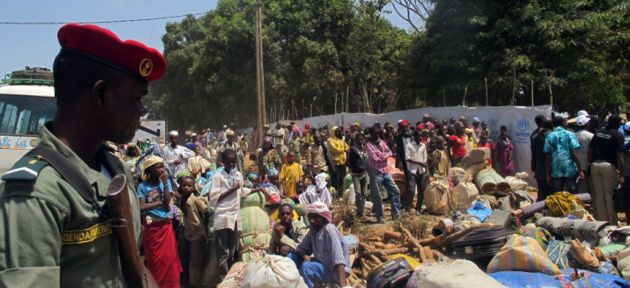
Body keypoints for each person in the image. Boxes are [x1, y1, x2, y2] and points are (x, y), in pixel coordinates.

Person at [0, 23, 163, 287]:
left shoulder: (116, 169)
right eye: (135, 99)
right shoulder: (36, 193)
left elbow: (134, 266)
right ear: (100, 94)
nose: (141, 111)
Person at [210, 150, 265, 280]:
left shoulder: (238, 175)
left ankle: (234, 278)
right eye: (229, 162)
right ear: (223, 162)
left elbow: (240, 192)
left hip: (234, 217)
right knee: (223, 253)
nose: (232, 164)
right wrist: (232, 189)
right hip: (223, 217)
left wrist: (256, 189)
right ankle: (225, 280)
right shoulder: (218, 177)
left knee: (233, 251)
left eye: (234, 161)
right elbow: (213, 199)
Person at [137, 156, 182, 287]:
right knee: (156, 261)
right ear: (150, 170)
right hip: (152, 229)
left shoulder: (163, 183)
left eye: (163, 166)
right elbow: (141, 206)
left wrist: (166, 183)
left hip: (166, 226)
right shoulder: (142, 186)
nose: (162, 169)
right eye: (159, 167)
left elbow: (167, 202)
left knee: (170, 260)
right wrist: (159, 202)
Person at [293, 202, 350, 288]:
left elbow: (339, 260)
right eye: (310, 217)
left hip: (334, 271)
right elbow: (300, 249)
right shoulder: (313, 231)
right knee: (293, 256)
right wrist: (305, 256)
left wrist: (343, 285)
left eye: (315, 217)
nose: (312, 220)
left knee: (307, 267)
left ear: (323, 218)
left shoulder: (329, 230)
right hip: (322, 265)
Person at [177, 174, 212, 288]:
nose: (186, 187)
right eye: (184, 185)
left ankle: (196, 284)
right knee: (185, 258)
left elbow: (207, 213)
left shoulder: (196, 200)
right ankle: (187, 281)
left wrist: (206, 230)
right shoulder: (181, 200)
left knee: (195, 260)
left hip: (197, 234)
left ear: (193, 187)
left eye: (189, 185)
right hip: (186, 234)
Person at [589, 114, 624, 223]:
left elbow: (591, 150)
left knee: (599, 195)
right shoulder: (617, 135)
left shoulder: (598, 132)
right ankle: (612, 222)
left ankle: (602, 222)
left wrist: (589, 164)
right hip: (608, 166)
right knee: (609, 195)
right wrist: (622, 174)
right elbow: (620, 156)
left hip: (595, 166)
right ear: (618, 124)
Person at [366, 126, 401, 223]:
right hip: (375, 172)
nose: (376, 136)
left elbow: (390, 152)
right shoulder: (369, 145)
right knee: (377, 196)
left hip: (385, 171)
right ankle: (380, 217)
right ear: (371, 134)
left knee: (395, 191)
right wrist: (384, 155)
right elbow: (375, 158)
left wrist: (382, 154)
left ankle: (396, 215)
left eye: (378, 134)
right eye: (374, 134)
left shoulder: (381, 142)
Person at [544, 116, 584, 194]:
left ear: (553, 124)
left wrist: (547, 173)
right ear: (563, 123)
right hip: (569, 169)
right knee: (573, 194)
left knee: (558, 195)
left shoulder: (550, 136)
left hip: (556, 170)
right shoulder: (570, 135)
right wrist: (580, 169)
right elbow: (574, 154)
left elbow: (548, 157)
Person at [405, 130, 428, 211]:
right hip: (412, 170)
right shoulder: (409, 145)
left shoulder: (423, 146)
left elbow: (425, 159)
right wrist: (419, 163)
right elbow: (407, 158)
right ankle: (408, 208)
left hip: (421, 171)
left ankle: (418, 208)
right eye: (419, 136)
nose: (420, 137)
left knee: (422, 190)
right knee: (411, 190)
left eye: (421, 136)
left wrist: (426, 170)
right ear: (414, 137)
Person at [347, 132, 369, 219]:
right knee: (358, 193)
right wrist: (354, 168)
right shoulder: (352, 150)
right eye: (359, 139)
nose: (361, 141)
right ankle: (360, 212)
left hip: (364, 173)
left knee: (364, 194)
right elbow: (348, 162)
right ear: (356, 140)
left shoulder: (364, 149)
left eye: (362, 139)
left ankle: (361, 211)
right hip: (356, 174)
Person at [531, 118, 553, 201]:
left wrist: (533, 165)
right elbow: (549, 156)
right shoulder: (552, 136)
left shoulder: (534, 136)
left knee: (541, 191)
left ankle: (540, 210)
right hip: (550, 169)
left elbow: (533, 154)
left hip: (539, 168)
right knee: (551, 192)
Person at [327, 126, 350, 194]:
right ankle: (336, 192)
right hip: (335, 162)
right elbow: (334, 149)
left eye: (338, 131)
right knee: (336, 177)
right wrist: (343, 150)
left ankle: (342, 191)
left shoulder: (341, 140)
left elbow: (347, 147)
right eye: (336, 131)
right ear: (333, 132)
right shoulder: (330, 140)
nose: (337, 132)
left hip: (343, 161)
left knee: (343, 177)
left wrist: (346, 150)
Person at [574, 115, 593, 194]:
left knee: (580, 189)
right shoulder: (591, 135)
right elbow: (592, 151)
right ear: (586, 124)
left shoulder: (573, 135)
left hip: (576, 166)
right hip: (588, 166)